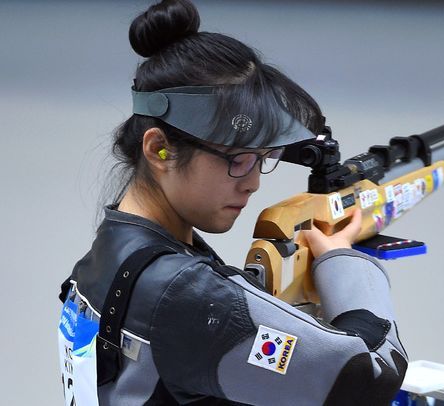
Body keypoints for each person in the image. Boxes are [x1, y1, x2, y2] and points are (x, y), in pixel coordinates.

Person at [57, 1, 407, 404]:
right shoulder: (183, 292)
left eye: (262, 158)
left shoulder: (109, 253)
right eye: (237, 160)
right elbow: (371, 376)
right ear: (159, 150)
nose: (254, 183)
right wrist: (343, 262)